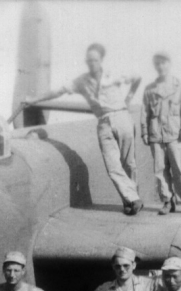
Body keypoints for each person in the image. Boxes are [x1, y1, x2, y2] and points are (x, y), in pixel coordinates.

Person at [23, 44, 144, 215]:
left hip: (122, 117)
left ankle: (129, 199)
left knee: (129, 163)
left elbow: (137, 77)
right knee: (112, 166)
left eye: (95, 60)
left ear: (101, 60)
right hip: (103, 123)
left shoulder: (114, 74)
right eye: (89, 60)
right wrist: (34, 99)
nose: (91, 63)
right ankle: (133, 198)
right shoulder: (81, 81)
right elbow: (58, 92)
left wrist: (130, 97)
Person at [141, 52, 181, 216]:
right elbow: (145, 112)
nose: (161, 67)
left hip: (175, 134)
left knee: (180, 169)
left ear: (169, 64)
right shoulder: (149, 89)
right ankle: (167, 201)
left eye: (163, 63)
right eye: (157, 64)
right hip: (156, 135)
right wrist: (144, 132)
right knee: (160, 170)